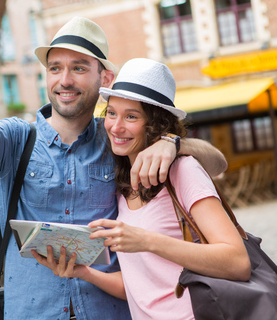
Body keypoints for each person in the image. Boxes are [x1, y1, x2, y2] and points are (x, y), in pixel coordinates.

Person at [0, 16, 228, 320]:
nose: (64, 80)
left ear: (105, 79)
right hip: (33, 309)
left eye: (78, 68)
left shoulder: (119, 140)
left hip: (109, 310)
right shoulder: (17, 140)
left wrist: (172, 142)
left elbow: (215, 163)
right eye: (55, 68)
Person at [32, 58, 251, 319]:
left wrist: (145, 240)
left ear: (155, 124)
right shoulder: (121, 185)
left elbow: (238, 262)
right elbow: (141, 287)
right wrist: (84, 272)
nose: (116, 126)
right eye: (111, 113)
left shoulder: (182, 171)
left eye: (131, 116)